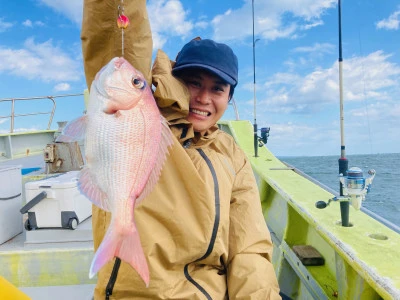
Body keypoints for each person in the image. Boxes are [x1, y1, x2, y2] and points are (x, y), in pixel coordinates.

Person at [81, 1, 281, 299]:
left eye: (217, 89)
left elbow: (249, 247)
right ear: (174, 81)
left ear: (229, 97)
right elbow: (116, 40)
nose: (203, 98)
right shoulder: (145, 118)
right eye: (193, 83)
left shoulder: (232, 154)